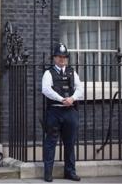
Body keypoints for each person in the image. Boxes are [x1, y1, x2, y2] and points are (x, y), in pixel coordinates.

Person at [41, 43, 83, 182]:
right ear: (54, 58)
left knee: (70, 143)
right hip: (55, 111)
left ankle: (70, 172)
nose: (62, 59)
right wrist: (61, 99)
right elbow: (46, 90)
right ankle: (48, 173)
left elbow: (80, 89)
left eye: (64, 57)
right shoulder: (48, 73)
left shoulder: (72, 72)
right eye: (59, 56)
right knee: (50, 143)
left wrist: (72, 98)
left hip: (70, 111)